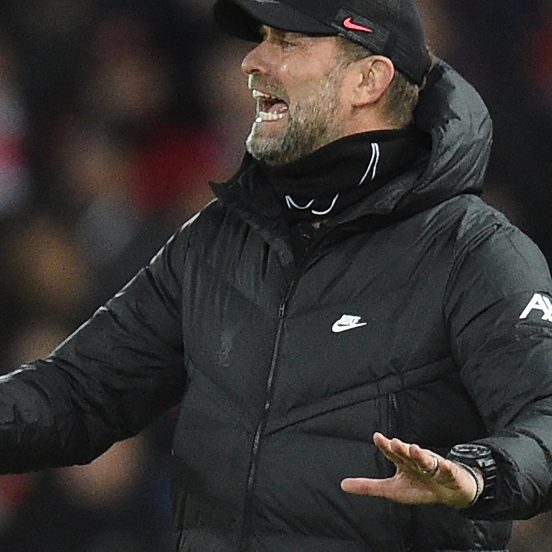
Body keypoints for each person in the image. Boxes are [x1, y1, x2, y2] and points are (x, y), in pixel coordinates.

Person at [2, 0, 552, 550]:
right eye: (262, 38)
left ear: (368, 79)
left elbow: (544, 415)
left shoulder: (472, 251)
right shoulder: (217, 241)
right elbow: (78, 391)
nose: (252, 61)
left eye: (287, 42)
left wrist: (481, 472)